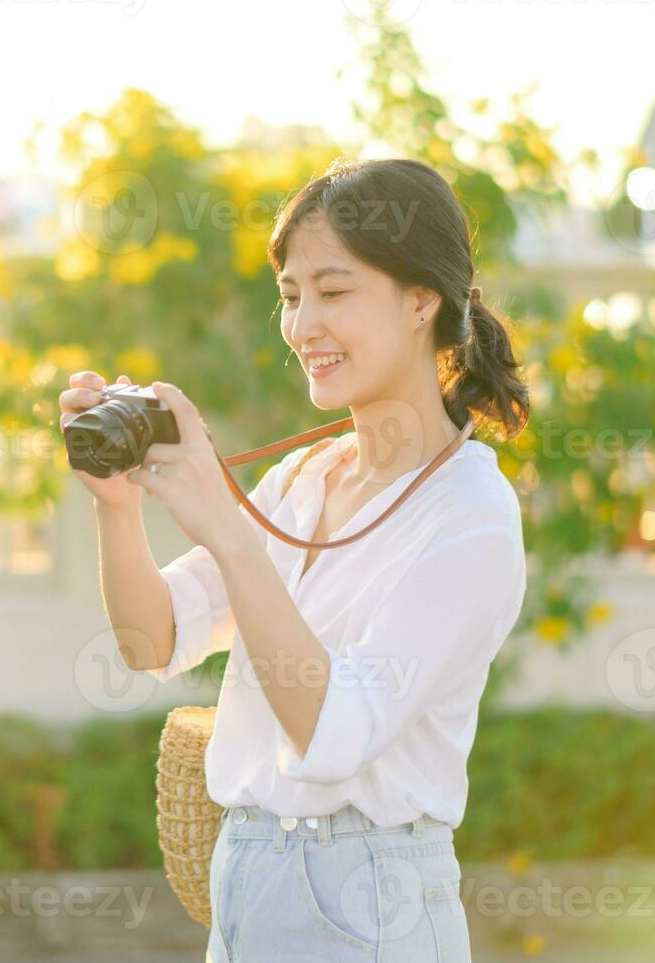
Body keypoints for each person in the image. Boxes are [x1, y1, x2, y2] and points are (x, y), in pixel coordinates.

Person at [58, 157, 529, 961]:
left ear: (422, 299)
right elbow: (151, 642)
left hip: (367, 898)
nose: (303, 325)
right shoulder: (304, 479)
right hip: (247, 878)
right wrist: (119, 510)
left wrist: (230, 533)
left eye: (334, 292)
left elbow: (336, 732)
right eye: (290, 295)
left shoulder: (471, 517)